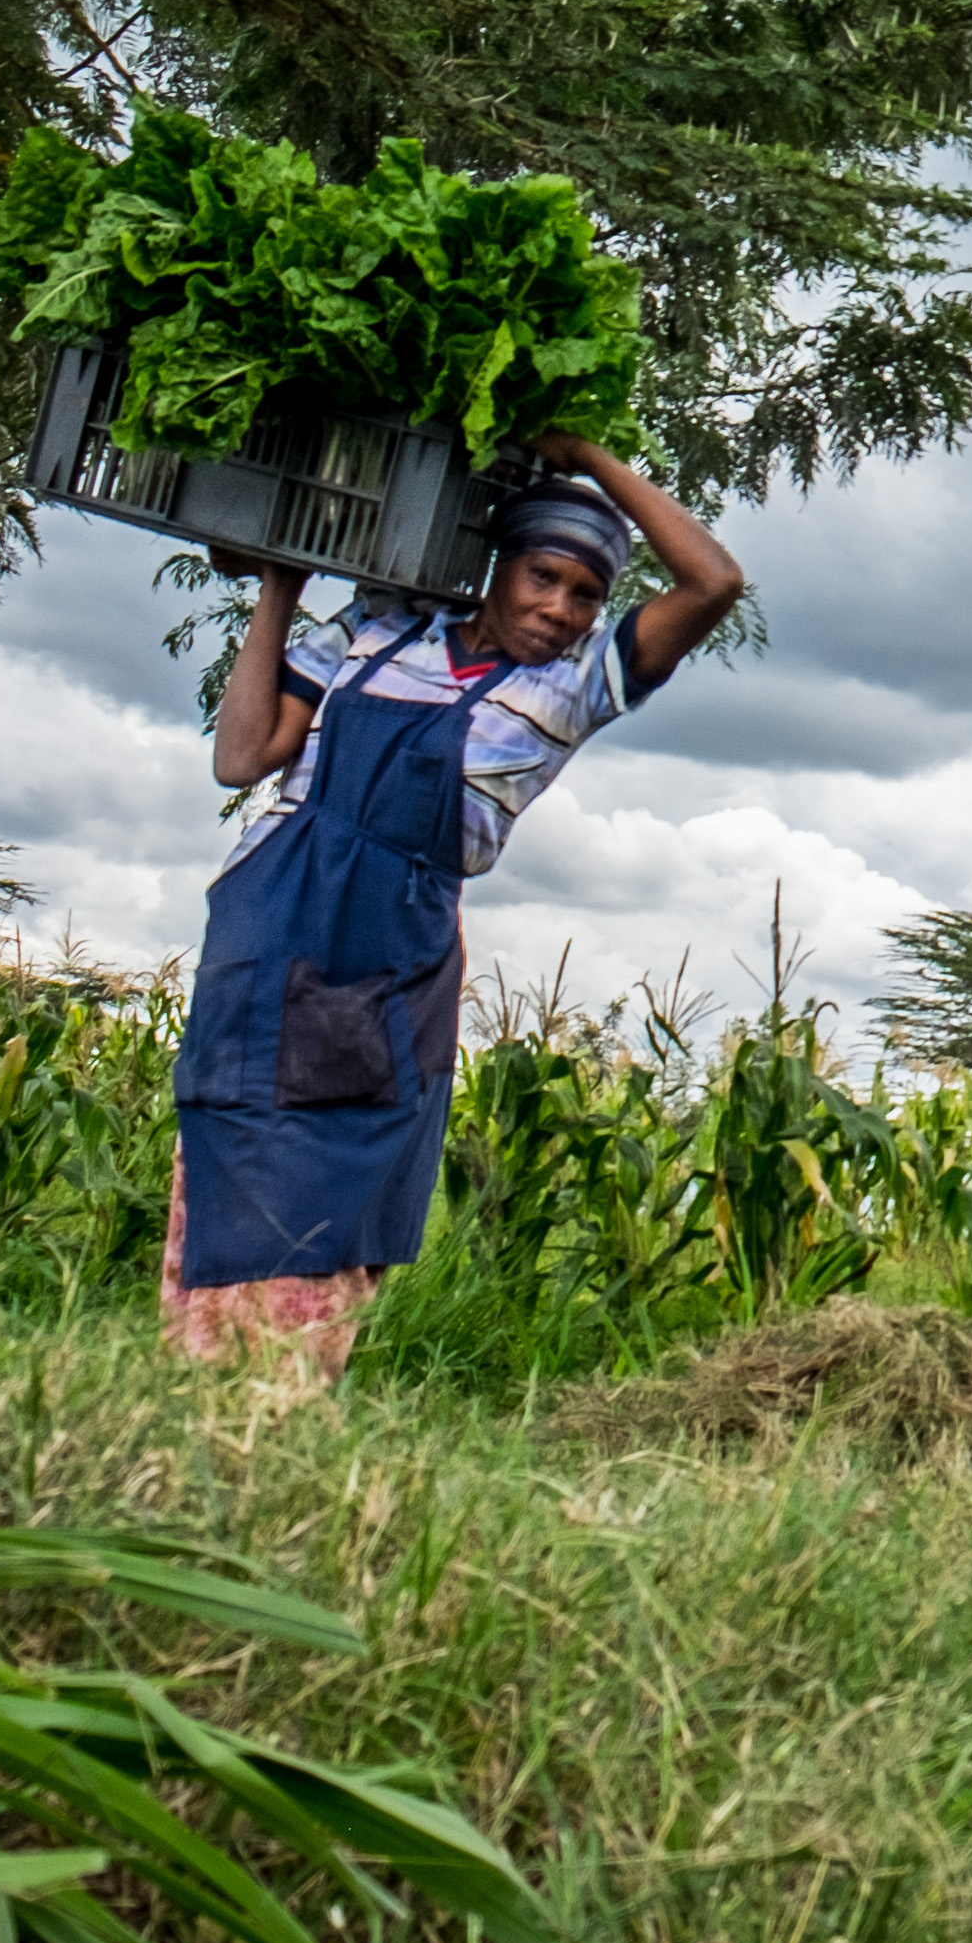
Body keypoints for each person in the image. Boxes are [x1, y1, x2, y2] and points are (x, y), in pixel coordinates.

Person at [160, 430, 745, 1387]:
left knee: (335, 1190)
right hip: (268, 926)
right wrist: (279, 585)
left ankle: (281, 1412)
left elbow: (713, 582)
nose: (559, 610)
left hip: (388, 962)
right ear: (497, 569)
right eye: (542, 578)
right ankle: (196, 1399)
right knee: (226, 1153)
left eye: (586, 594)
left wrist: (588, 458)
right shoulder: (381, 629)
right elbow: (242, 757)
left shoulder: (573, 690)